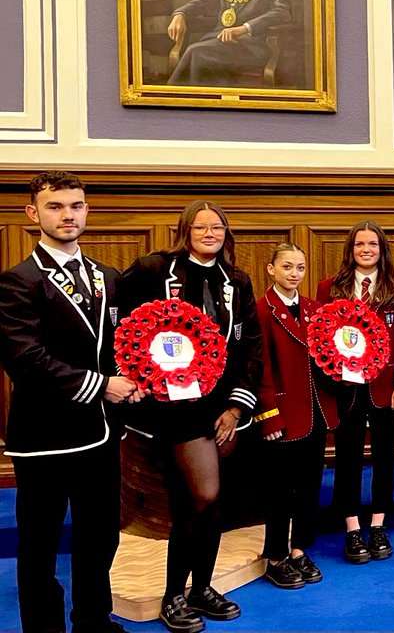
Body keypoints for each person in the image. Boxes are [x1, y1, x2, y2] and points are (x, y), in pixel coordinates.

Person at [0, 172, 140, 633]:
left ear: (86, 211)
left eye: (76, 206)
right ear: (33, 213)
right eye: (55, 206)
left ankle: (93, 620)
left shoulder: (107, 276)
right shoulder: (18, 281)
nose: (67, 215)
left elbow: (121, 346)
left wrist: (137, 377)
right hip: (46, 436)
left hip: (102, 431)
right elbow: (26, 359)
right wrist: (103, 385)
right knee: (39, 546)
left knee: (99, 537)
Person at [121, 200, 263, 632]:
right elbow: (121, 327)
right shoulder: (152, 269)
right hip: (173, 408)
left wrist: (236, 408)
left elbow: (251, 349)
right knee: (199, 497)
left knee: (211, 504)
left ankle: (200, 588)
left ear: (226, 233)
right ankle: (173, 596)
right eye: (200, 227)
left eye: (216, 227)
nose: (209, 234)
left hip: (222, 408)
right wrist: (134, 379)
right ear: (185, 231)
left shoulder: (237, 280)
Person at [317, 221, 394, 564]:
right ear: (351, 249)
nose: (366, 250)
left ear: (382, 249)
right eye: (360, 244)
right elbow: (321, 339)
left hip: (386, 389)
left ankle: (378, 524)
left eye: (372, 244)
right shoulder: (330, 287)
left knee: (385, 458)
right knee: (348, 460)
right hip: (346, 388)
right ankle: (352, 528)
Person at [252, 243, 337, 589]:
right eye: (287, 266)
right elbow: (260, 367)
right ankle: (275, 556)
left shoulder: (315, 309)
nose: (294, 274)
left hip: (316, 411)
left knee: (309, 485)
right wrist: (268, 415)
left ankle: (299, 548)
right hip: (282, 414)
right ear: (271, 269)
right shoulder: (261, 310)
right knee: (279, 490)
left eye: (300, 267)